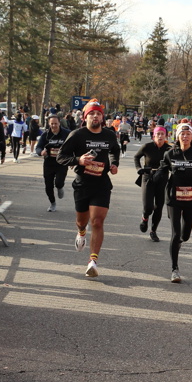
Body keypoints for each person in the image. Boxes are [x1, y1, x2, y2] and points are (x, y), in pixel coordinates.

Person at [56, 100, 120, 278]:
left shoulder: (109, 135)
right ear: (85, 117)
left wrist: (114, 163)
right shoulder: (77, 135)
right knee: (81, 221)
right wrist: (79, 160)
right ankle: (81, 232)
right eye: (92, 113)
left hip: (102, 183)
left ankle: (93, 261)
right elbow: (61, 157)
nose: (95, 116)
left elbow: (115, 150)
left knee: (97, 221)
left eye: (98, 113)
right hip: (83, 183)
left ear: (102, 117)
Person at [156, 122, 192, 283]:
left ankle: (180, 241)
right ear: (177, 136)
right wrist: (156, 176)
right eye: (182, 134)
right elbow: (162, 169)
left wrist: (190, 172)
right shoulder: (170, 154)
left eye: (188, 134)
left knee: (184, 235)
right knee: (175, 234)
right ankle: (175, 269)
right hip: (174, 197)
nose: (185, 137)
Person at [134, 126, 171, 241]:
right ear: (154, 136)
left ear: (166, 136)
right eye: (158, 134)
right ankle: (145, 218)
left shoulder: (169, 149)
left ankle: (153, 231)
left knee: (159, 206)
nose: (160, 136)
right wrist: (139, 168)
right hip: (148, 177)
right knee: (148, 206)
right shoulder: (147, 147)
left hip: (162, 178)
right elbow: (136, 157)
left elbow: (174, 161)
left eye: (162, 134)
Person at [36, 113, 71, 212]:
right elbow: (38, 147)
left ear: (59, 123)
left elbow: (74, 145)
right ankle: (52, 203)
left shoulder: (67, 133)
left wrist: (72, 159)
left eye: (55, 123)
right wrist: (41, 152)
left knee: (58, 183)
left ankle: (60, 187)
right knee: (48, 186)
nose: (54, 126)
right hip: (49, 162)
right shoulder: (45, 135)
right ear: (49, 124)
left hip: (62, 162)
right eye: (52, 124)